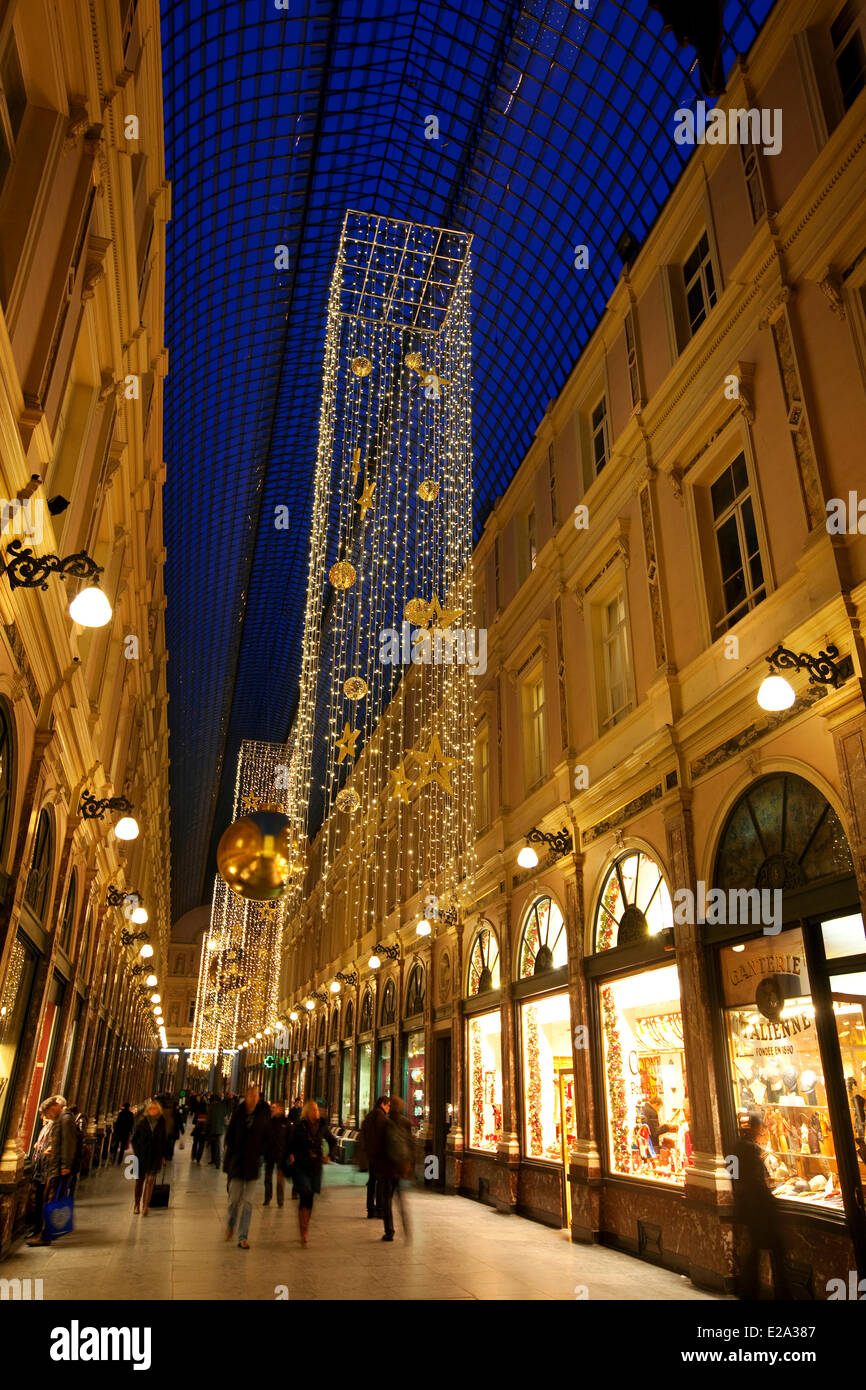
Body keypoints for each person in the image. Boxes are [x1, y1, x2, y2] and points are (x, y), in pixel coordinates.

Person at [733, 1112, 792, 1299]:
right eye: (762, 1127)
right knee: (776, 1249)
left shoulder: (734, 1148)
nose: (763, 1131)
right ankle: (782, 1292)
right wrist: (768, 1197)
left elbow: (734, 1176)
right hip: (760, 1207)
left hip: (747, 1206)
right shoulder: (751, 1150)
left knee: (756, 1249)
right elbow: (755, 1180)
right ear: (757, 1128)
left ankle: (749, 1291)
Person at [26, 1096, 80, 1245]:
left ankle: (46, 1235)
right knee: (49, 1200)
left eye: (48, 1113)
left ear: (54, 1107)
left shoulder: (65, 1118)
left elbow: (69, 1143)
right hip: (54, 1166)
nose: (47, 1117)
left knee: (52, 1200)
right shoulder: (61, 1118)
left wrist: (65, 1165)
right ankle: (48, 1232)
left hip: (58, 1169)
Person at [223, 1084, 271, 1249]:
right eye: (252, 1096)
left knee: (249, 1202)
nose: (254, 1099)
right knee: (234, 1200)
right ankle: (231, 1224)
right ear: (246, 1096)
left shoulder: (263, 1115)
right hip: (237, 1163)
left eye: (257, 1096)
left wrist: (261, 1152)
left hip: (253, 1164)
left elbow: (267, 1137)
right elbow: (229, 1138)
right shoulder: (238, 1114)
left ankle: (242, 1237)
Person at [287, 1099, 338, 1245]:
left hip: (315, 1166)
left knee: (309, 1199)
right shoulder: (299, 1126)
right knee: (305, 1193)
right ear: (307, 1112)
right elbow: (291, 1143)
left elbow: (332, 1141)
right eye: (314, 1110)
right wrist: (290, 1154)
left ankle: (305, 1226)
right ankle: (303, 1229)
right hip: (302, 1165)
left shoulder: (322, 1126)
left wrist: (330, 1156)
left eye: (317, 1110)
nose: (316, 1112)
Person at [374, 1094, 415, 1242]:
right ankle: (407, 1227)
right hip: (399, 1167)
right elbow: (411, 1143)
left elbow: (379, 1145)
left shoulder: (385, 1122)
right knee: (400, 1198)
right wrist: (409, 1164)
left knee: (387, 1200)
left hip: (387, 1167)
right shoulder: (406, 1122)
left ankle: (389, 1231)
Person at [130, 1099, 167, 1216]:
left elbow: (163, 1140)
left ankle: (146, 1205)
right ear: (147, 1110)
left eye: (155, 1109)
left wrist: (163, 1156)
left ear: (158, 1110)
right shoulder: (142, 1122)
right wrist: (138, 1152)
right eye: (151, 1109)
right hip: (142, 1155)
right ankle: (137, 1204)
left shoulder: (161, 1122)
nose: (153, 1111)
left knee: (150, 1181)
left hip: (155, 1155)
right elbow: (134, 1139)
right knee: (139, 1181)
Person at [357, 1095, 390, 1218]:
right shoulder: (381, 1116)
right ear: (383, 1104)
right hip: (379, 1155)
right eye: (388, 1106)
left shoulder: (370, 1115)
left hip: (370, 1154)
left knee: (371, 1181)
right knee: (380, 1182)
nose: (389, 1109)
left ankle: (370, 1208)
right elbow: (382, 1136)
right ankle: (380, 1208)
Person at [263, 1099, 291, 1208]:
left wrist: (290, 1153)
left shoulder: (286, 1123)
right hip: (269, 1153)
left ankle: (280, 1200)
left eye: (274, 1108)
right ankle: (267, 1197)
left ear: (280, 1109)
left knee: (280, 1178)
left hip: (281, 1153)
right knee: (268, 1176)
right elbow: (264, 1137)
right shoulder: (269, 1121)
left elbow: (290, 1139)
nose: (272, 1109)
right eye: (272, 1108)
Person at [206, 1092, 227, 1167]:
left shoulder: (211, 1106)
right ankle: (218, 1162)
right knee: (219, 1146)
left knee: (213, 1145)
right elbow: (225, 1114)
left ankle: (213, 1160)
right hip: (221, 1128)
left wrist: (206, 1127)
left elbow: (209, 1118)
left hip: (213, 1128)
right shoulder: (223, 1106)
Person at [191, 1093, 208, 1163]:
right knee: (201, 1144)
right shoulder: (204, 1108)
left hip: (198, 1128)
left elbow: (196, 1120)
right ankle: (198, 1158)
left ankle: (194, 1156)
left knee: (195, 1142)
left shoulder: (199, 1107)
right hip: (202, 1129)